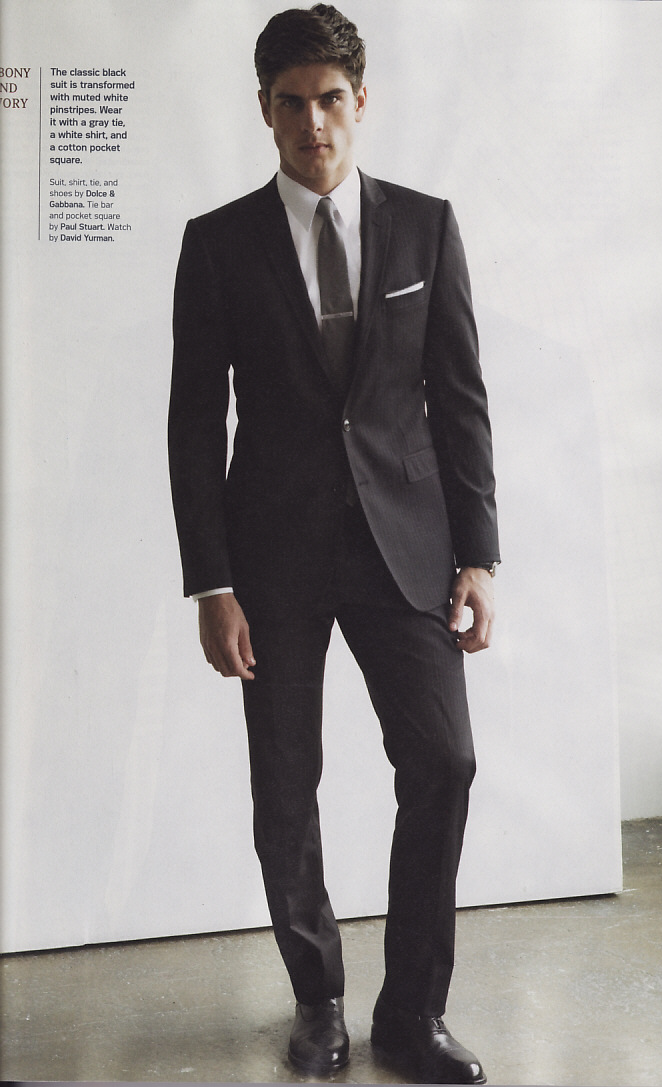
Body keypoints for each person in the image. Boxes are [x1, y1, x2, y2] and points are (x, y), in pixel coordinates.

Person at [168, 5, 499, 1082]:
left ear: (363, 102)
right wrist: (211, 581)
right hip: (272, 559)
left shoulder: (425, 227)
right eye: (291, 102)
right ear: (264, 112)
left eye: (330, 99)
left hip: (406, 546)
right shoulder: (218, 244)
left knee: (443, 760)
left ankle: (412, 1013)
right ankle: (317, 1001)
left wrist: (479, 556)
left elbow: (459, 401)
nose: (313, 122)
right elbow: (192, 423)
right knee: (284, 783)